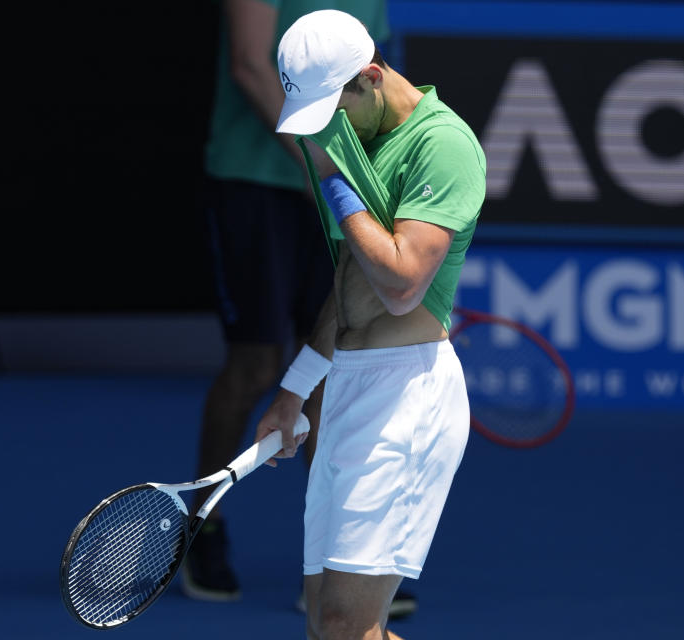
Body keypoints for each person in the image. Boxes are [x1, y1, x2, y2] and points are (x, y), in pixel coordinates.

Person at [181, 0, 419, 620]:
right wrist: (320, 166)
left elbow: (375, 80)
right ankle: (202, 524)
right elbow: (249, 66)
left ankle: (338, 561)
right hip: (256, 184)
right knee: (256, 367)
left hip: (333, 190)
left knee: (332, 370)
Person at [253, 9, 486, 639]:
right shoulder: (356, 135)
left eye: (334, 107)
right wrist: (296, 388)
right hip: (348, 389)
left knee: (345, 626)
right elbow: (351, 289)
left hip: (405, 401)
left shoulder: (444, 145)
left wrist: (332, 178)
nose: (325, 129)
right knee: (328, 626)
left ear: (372, 77)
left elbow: (403, 284)